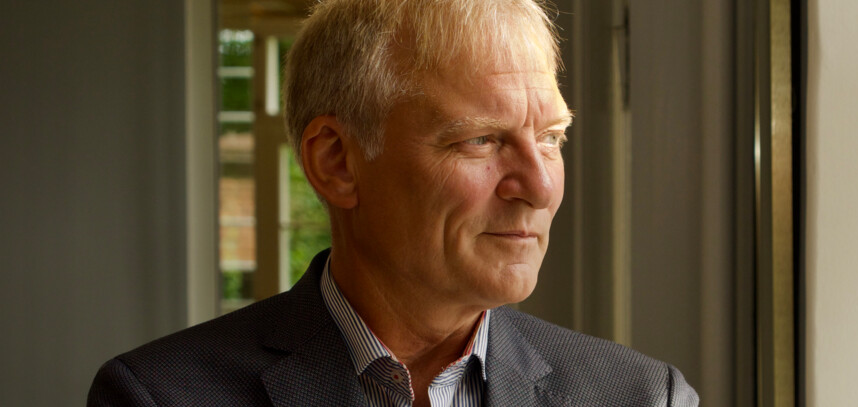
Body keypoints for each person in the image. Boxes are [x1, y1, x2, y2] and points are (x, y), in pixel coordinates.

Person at [87, 0, 699, 405]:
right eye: (480, 140)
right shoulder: (160, 396)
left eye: (550, 138)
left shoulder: (644, 397)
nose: (539, 188)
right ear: (337, 162)